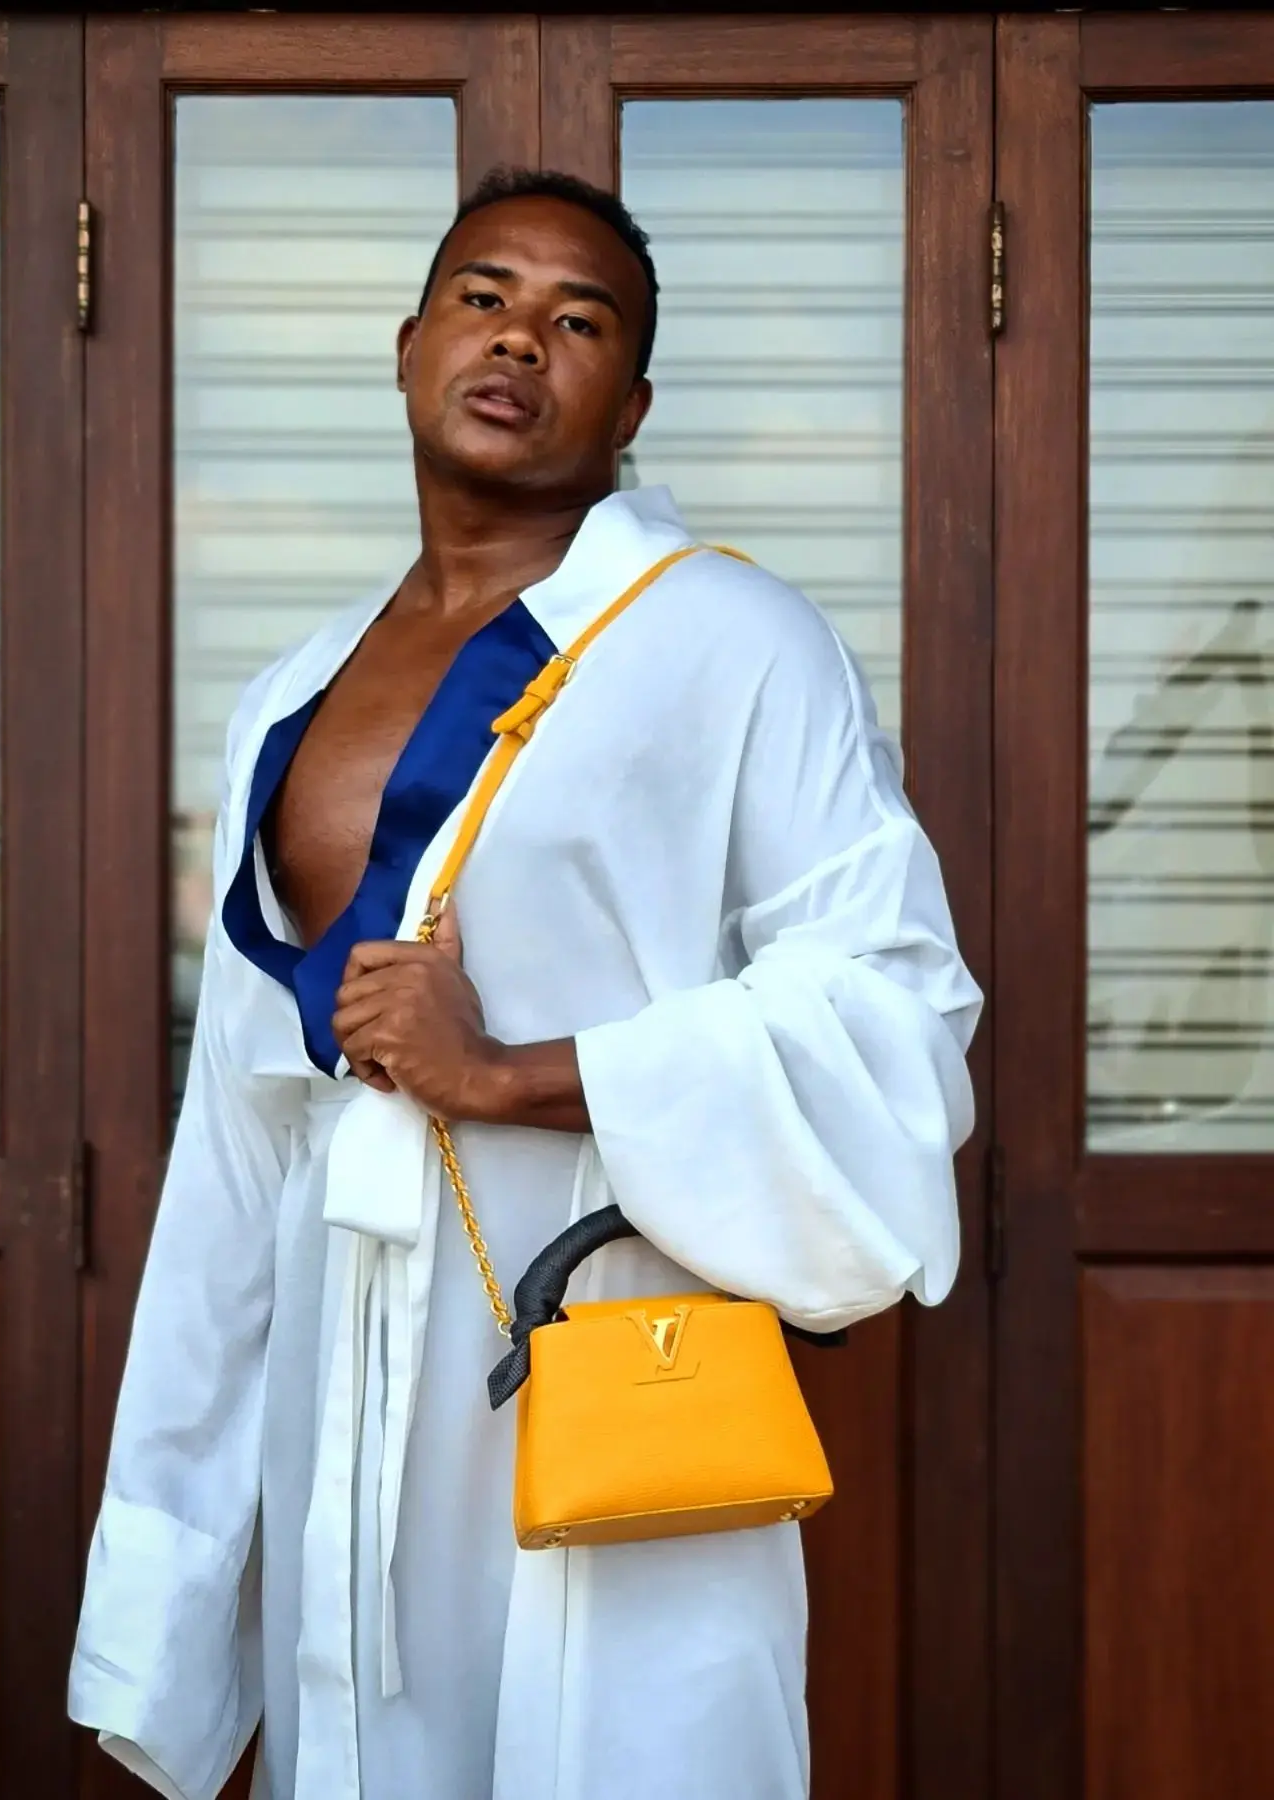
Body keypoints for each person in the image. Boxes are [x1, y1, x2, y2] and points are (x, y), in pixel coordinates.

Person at [69, 167, 981, 1800]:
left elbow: (897, 1013)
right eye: (483, 299)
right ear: (408, 345)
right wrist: (176, 1581)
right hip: (342, 1356)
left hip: (601, 1322)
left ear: (630, 406)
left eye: (579, 321)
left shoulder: (737, 641)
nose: (517, 340)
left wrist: (510, 1073)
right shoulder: (290, 696)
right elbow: (239, 1145)